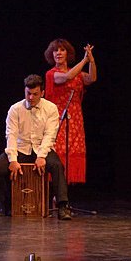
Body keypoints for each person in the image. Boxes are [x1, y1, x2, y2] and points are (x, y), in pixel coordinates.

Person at [0, 75, 70, 219]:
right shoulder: (15, 109)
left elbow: (50, 135)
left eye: (35, 94)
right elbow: (11, 135)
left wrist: (41, 156)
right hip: (21, 148)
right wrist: (13, 160)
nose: (31, 97)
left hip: (41, 148)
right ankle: (8, 204)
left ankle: (63, 206)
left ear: (42, 93)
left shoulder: (51, 108)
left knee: (57, 166)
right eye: (28, 93)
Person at [44, 38, 96, 185]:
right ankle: (56, 191)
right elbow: (67, 76)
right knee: (59, 153)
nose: (58, 53)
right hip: (58, 118)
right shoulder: (51, 74)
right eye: (55, 50)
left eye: (62, 50)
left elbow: (92, 78)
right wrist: (84, 61)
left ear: (68, 54)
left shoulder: (78, 74)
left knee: (72, 153)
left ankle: (64, 193)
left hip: (75, 120)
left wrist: (91, 60)